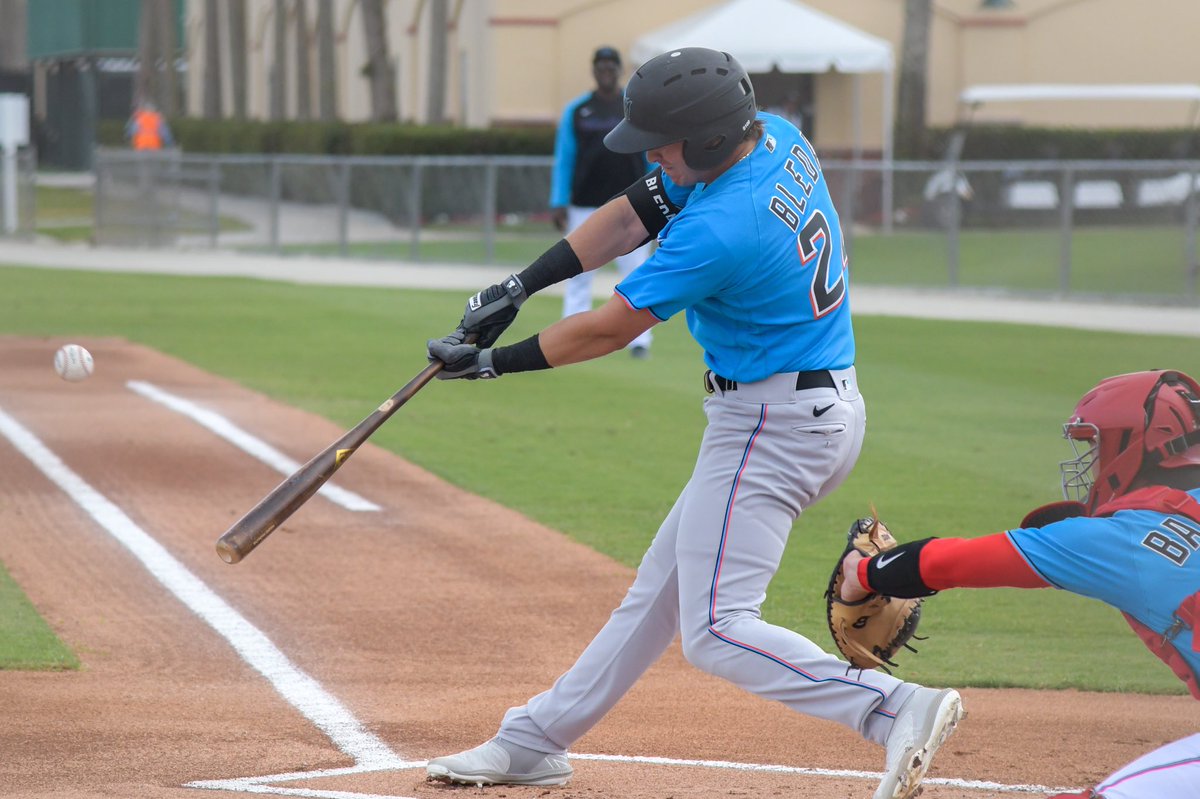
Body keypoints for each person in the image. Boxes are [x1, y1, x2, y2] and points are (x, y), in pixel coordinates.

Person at [424, 47, 963, 799]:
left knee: (716, 629)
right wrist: (521, 284)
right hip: (809, 404)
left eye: (663, 140)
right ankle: (533, 740)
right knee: (659, 593)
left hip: (771, 424)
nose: (649, 152)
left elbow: (609, 327)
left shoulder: (721, 227)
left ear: (709, 140)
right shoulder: (772, 134)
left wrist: (490, 362)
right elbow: (633, 209)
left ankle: (895, 708)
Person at [839, 368, 1200, 799]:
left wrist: (861, 574)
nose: (1089, 459)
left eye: (1095, 444)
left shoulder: (1113, 539)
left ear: (1130, 445)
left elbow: (952, 563)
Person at [550, 45, 653, 358]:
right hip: (585, 203)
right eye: (601, 65)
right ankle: (569, 336)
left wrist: (658, 197)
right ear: (593, 70)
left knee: (638, 274)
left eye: (611, 65)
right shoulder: (578, 110)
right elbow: (565, 157)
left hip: (632, 204)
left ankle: (640, 341)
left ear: (619, 69)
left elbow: (652, 156)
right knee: (577, 272)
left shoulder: (635, 108)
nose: (606, 70)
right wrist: (558, 200)